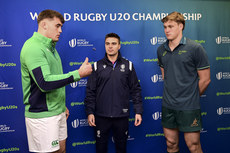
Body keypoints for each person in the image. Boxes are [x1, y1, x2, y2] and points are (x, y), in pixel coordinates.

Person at [20, 9, 92, 153]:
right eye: (57, 26)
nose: (60, 30)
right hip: (43, 116)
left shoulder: (51, 48)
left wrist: (61, 105)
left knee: (61, 150)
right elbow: (44, 82)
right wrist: (77, 74)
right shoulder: (33, 47)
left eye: (61, 27)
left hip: (56, 111)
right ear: (44, 24)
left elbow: (55, 81)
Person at [157, 12, 211, 153]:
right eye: (165, 27)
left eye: (170, 26)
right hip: (168, 106)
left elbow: (205, 79)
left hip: (189, 107)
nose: (167, 30)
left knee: (193, 146)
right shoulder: (161, 50)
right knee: (171, 143)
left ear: (181, 26)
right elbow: (165, 77)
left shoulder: (195, 48)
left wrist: (190, 97)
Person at [84, 33, 143, 153]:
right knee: (100, 149)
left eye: (113, 44)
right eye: (107, 44)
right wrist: (90, 112)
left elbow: (135, 89)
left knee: (121, 149)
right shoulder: (96, 66)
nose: (110, 46)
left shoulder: (128, 66)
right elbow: (90, 91)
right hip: (101, 117)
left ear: (119, 46)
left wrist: (138, 111)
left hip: (121, 116)